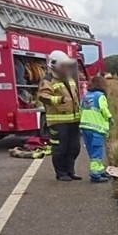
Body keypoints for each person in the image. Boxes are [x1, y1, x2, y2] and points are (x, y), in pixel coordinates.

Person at [38, 50, 82, 181]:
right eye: (63, 65)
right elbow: (43, 96)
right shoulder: (48, 80)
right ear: (54, 65)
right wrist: (59, 99)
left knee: (74, 148)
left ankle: (70, 171)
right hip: (58, 121)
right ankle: (61, 173)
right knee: (60, 149)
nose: (66, 68)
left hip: (73, 120)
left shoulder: (70, 79)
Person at [79, 75, 113, 183]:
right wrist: (110, 118)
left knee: (91, 150)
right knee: (97, 151)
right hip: (96, 128)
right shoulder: (100, 96)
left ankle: (99, 170)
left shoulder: (86, 96)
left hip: (85, 128)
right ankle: (95, 175)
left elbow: (81, 109)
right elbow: (104, 109)